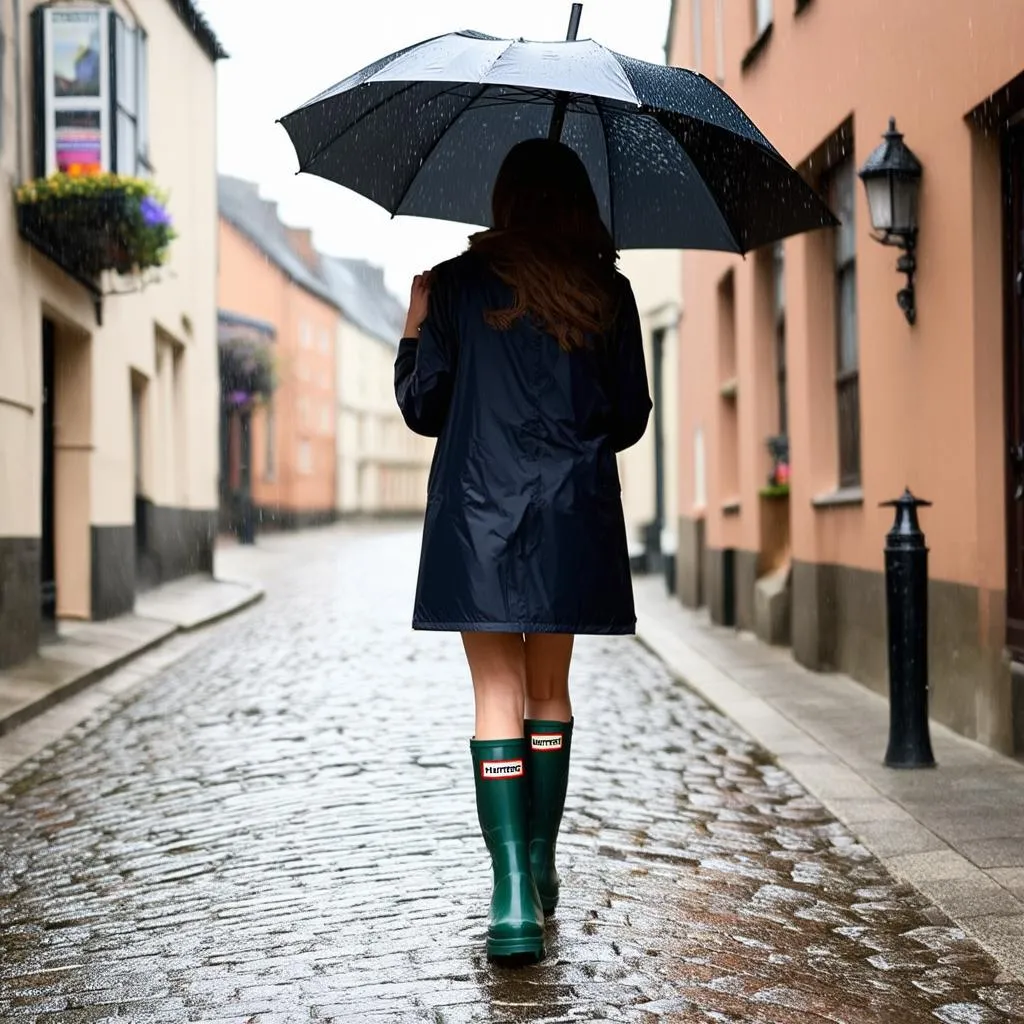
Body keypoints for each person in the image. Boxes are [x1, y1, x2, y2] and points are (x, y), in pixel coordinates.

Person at [394, 138, 652, 964]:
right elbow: (630, 418)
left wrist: (415, 325)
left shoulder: (458, 285)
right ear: (579, 204)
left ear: (504, 202)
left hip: (477, 516)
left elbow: (425, 407)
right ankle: (539, 867)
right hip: (571, 516)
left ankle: (509, 896)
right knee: (549, 691)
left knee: (495, 695)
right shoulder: (608, 293)